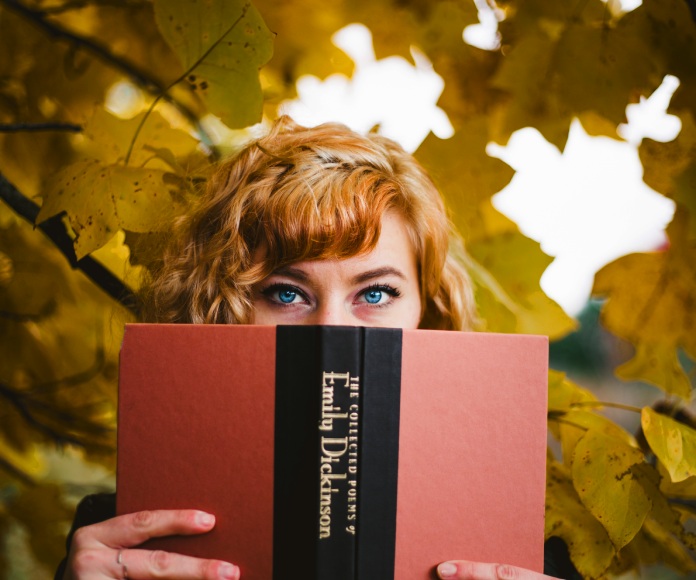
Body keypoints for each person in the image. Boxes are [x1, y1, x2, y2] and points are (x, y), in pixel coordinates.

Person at [57, 117, 569, 579]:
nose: (331, 329)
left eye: (375, 293)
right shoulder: (118, 543)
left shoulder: (525, 555)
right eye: (286, 293)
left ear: (426, 313)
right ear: (224, 307)